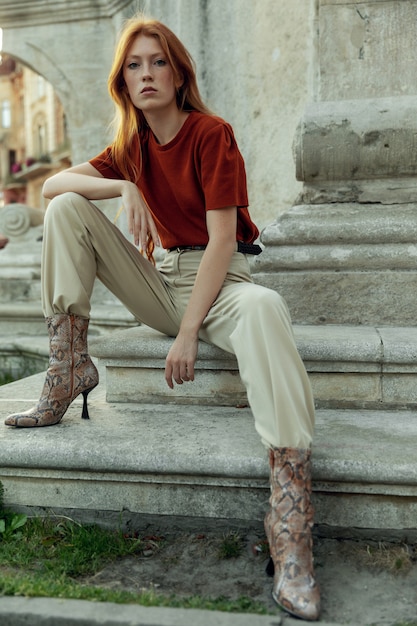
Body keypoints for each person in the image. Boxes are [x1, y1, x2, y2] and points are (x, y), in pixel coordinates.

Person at [4, 15, 320, 621]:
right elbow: (53, 189)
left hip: (221, 282)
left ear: (178, 75)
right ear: (123, 82)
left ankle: (290, 518)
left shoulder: (211, 134)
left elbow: (224, 242)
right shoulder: (132, 147)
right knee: (70, 204)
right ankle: (67, 367)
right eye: (134, 65)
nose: (146, 73)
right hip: (159, 279)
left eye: (158, 62)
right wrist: (122, 188)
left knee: (267, 309)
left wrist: (186, 332)